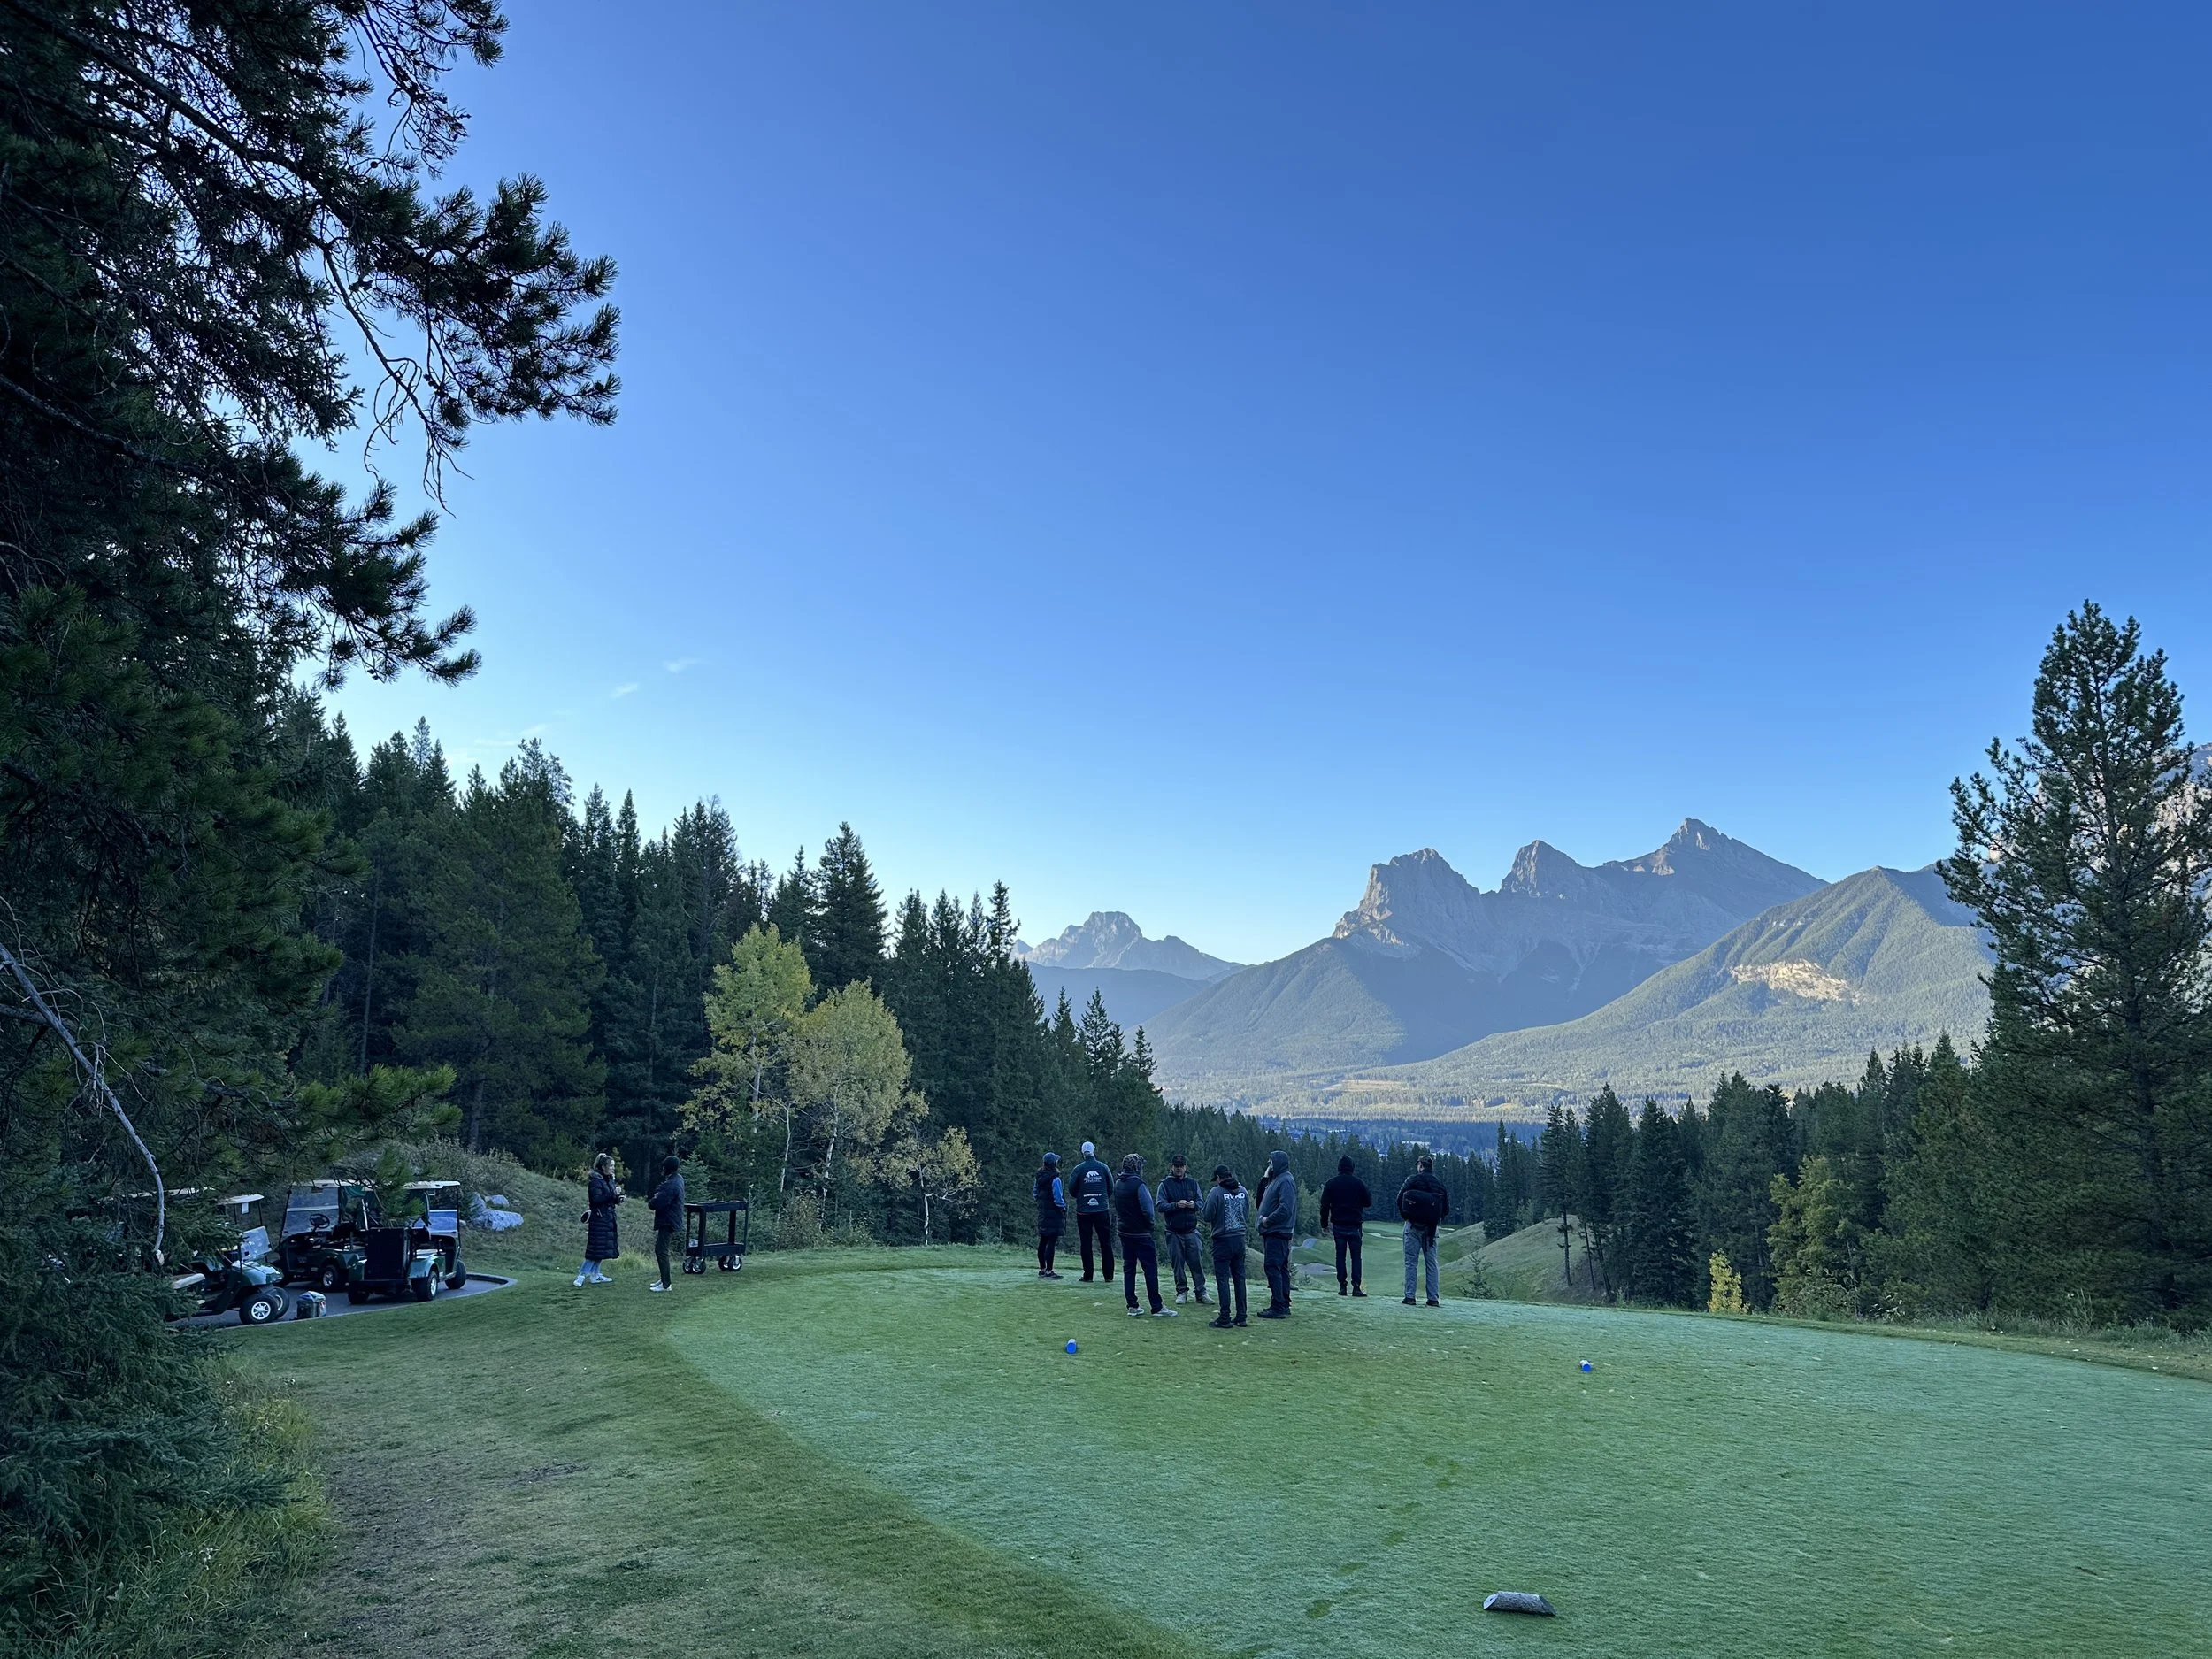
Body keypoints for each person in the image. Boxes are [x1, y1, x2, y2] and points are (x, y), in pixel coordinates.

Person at [1111, 1153, 1175, 1317]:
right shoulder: (1139, 1185)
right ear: (1137, 1167)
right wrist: (1150, 1225)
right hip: (1141, 1233)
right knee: (1150, 1270)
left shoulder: (1118, 1183)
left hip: (1124, 1232)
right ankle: (1157, 1306)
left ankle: (1132, 1305)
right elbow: (1148, 1211)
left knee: (1129, 1269)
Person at [1396, 1154, 1450, 1307]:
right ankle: (1433, 1298)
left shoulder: (1412, 1180)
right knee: (1432, 1263)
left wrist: (1406, 1216)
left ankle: (1410, 1297)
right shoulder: (1439, 1184)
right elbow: (1445, 1209)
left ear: (1420, 1165)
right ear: (1431, 1166)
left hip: (1412, 1226)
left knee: (1411, 1262)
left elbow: (1399, 1199)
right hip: (1432, 1229)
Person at [1199, 1164, 1249, 1327]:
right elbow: (1246, 1213)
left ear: (1219, 1178)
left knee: (1223, 1279)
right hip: (1240, 1239)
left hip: (1222, 1239)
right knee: (1239, 1278)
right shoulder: (1243, 1191)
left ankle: (1225, 1317)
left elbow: (1207, 1216)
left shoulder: (1217, 1192)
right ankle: (1241, 1316)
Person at [1156, 1154, 1208, 1306]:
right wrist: (1175, 1205)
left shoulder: (1192, 1183)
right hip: (1173, 1232)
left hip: (1191, 1230)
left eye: (1181, 1166)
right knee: (1177, 1264)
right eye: (1176, 1166)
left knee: (1196, 1263)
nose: (1179, 1169)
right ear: (1172, 1167)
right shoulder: (1165, 1184)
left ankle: (1201, 1292)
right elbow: (1160, 1205)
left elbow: (1201, 1201)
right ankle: (1181, 1291)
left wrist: (1195, 1205)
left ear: (1185, 1167)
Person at [1318, 1156, 1373, 1298]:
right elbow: (1368, 1202)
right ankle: (1356, 1286)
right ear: (1352, 1168)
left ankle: (1342, 1286)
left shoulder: (1331, 1184)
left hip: (1338, 1224)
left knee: (1340, 1255)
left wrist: (1324, 1224)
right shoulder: (1358, 1183)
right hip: (1355, 1225)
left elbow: (1324, 1206)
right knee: (1356, 1257)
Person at [1256, 1149, 1298, 1318]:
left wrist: (1267, 1221)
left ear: (1278, 1163)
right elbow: (1260, 1200)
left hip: (1277, 1232)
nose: (1269, 1164)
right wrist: (1266, 1177)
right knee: (1280, 1268)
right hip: (1274, 1232)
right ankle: (1282, 1303)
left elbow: (1286, 1208)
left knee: (1274, 1268)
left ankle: (1278, 1306)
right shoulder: (1276, 1180)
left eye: (1271, 1162)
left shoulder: (1285, 1181)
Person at [1068, 1141, 1116, 1283]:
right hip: (1102, 1209)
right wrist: (1102, 1199)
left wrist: (1082, 1197)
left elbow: (1072, 1189)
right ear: (1094, 1151)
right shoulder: (1103, 1167)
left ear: (1082, 1152)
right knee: (1105, 1242)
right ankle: (1109, 1276)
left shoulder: (1078, 1169)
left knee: (1086, 1242)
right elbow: (1110, 1187)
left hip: (1084, 1211)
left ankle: (1088, 1275)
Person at [577, 1152, 622, 1286]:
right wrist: (613, 1193)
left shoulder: (609, 1180)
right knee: (594, 1250)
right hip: (599, 1219)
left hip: (607, 1218)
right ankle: (581, 1276)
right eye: (611, 1166)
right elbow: (596, 1200)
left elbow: (609, 1199)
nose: (613, 1168)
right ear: (603, 1167)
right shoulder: (596, 1181)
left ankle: (595, 1275)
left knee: (600, 1249)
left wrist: (617, 1199)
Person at [647, 1155, 686, 1293]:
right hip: (672, 1219)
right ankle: (664, 1279)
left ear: (666, 1168)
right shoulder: (678, 1179)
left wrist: (654, 1198)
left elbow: (655, 1203)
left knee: (661, 1251)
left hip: (668, 1220)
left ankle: (666, 1284)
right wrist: (657, 1194)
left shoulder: (670, 1184)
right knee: (661, 1249)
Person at [1033, 1151, 1066, 1279]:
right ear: (1055, 1164)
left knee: (1043, 1240)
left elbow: (1035, 1193)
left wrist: (1041, 1204)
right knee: (1051, 1241)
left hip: (1043, 1212)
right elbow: (1058, 1198)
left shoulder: (1039, 1176)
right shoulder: (1055, 1179)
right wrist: (1063, 1207)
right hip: (1054, 1212)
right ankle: (1049, 1271)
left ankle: (1042, 1269)